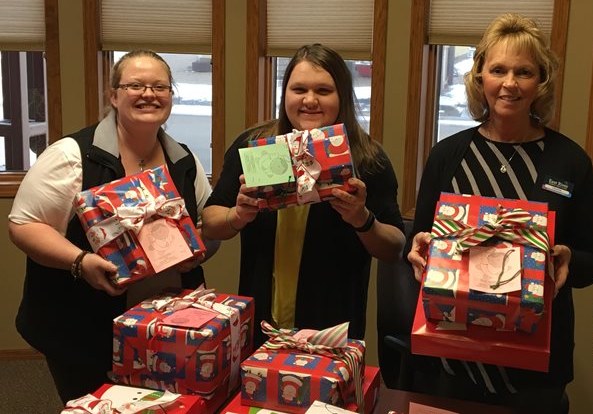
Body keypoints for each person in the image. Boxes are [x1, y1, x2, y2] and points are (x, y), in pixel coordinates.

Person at [406, 13, 593, 413]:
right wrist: (419, 248)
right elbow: (424, 239)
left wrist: (567, 259)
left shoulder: (571, 162)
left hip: (534, 369)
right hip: (452, 358)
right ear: (480, 76)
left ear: (541, 82)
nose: (510, 83)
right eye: (498, 69)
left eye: (524, 72)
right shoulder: (448, 156)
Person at [8, 50, 220, 403]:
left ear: (170, 96)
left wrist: (196, 255)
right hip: (79, 326)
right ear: (113, 95)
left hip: (161, 328)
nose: (148, 94)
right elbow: (24, 226)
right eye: (135, 85)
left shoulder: (184, 160)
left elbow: (205, 227)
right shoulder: (72, 154)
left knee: (161, 406)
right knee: (95, 406)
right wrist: (80, 261)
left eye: (160, 87)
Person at [202, 43, 405, 346]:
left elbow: (394, 248)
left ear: (342, 97)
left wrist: (361, 219)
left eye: (323, 90)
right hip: (260, 328)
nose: (310, 100)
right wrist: (237, 215)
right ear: (285, 95)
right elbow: (209, 222)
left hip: (332, 332)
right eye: (299, 89)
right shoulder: (257, 146)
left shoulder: (367, 159)